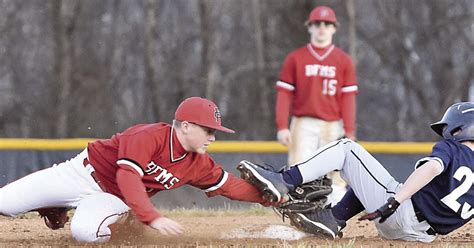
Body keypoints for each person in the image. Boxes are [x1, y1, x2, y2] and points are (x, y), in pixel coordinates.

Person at [0, 97, 272, 243]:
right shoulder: (148, 135)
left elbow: (231, 187)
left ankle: (115, 225)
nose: (213, 137)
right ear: (186, 126)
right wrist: (150, 216)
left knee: (85, 233)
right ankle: (56, 205)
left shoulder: (199, 164)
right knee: (4, 202)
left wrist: (273, 197)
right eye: (208, 130)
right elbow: (128, 175)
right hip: (78, 174)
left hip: (110, 198)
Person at [238, 102, 474, 242]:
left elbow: (433, 168)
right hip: (422, 236)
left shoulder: (452, 148)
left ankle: (284, 180)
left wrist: (395, 201)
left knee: (347, 148)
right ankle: (333, 218)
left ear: (460, 129)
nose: (445, 134)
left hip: (399, 215)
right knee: (370, 180)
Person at [274, 6, 359, 205]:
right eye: (317, 24)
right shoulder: (296, 58)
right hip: (303, 122)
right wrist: (282, 126)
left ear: (334, 28)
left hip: (333, 123)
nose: (322, 28)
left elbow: (348, 98)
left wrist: (349, 129)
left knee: (336, 173)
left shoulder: (343, 60)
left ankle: (335, 211)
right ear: (309, 28)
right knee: (299, 168)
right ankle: (301, 210)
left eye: (327, 24)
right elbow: (284, 94)